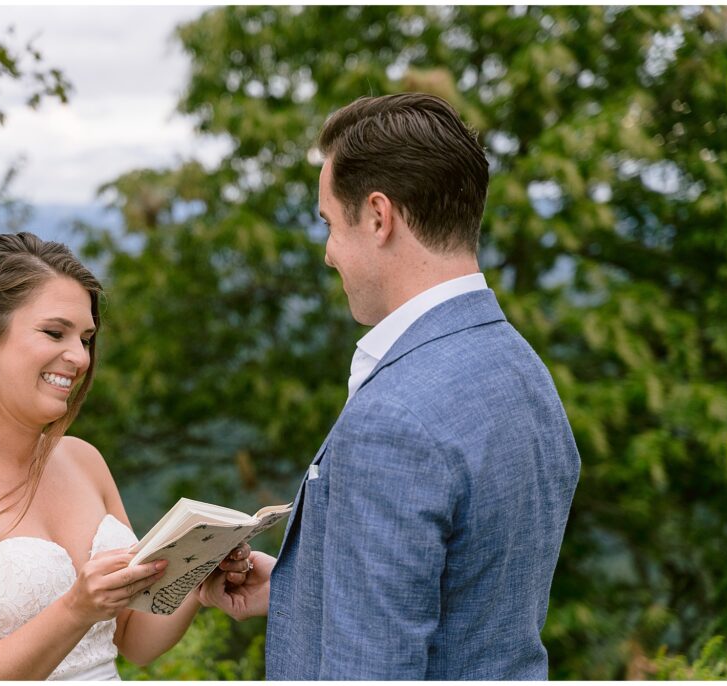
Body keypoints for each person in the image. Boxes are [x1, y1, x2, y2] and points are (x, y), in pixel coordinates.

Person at [199, 93, 581, 679]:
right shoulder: (522, 370)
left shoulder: (393, 421)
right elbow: (470, 600)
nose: (328, 254)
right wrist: (304, 588)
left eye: (330, 223)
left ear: (379, 216)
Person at [0, 232, 252, 680]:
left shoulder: (83, 459)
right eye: (55, 332)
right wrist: (75, 609)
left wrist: (197, 577)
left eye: (87, 338)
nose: (78, 357)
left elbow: (131, 640)